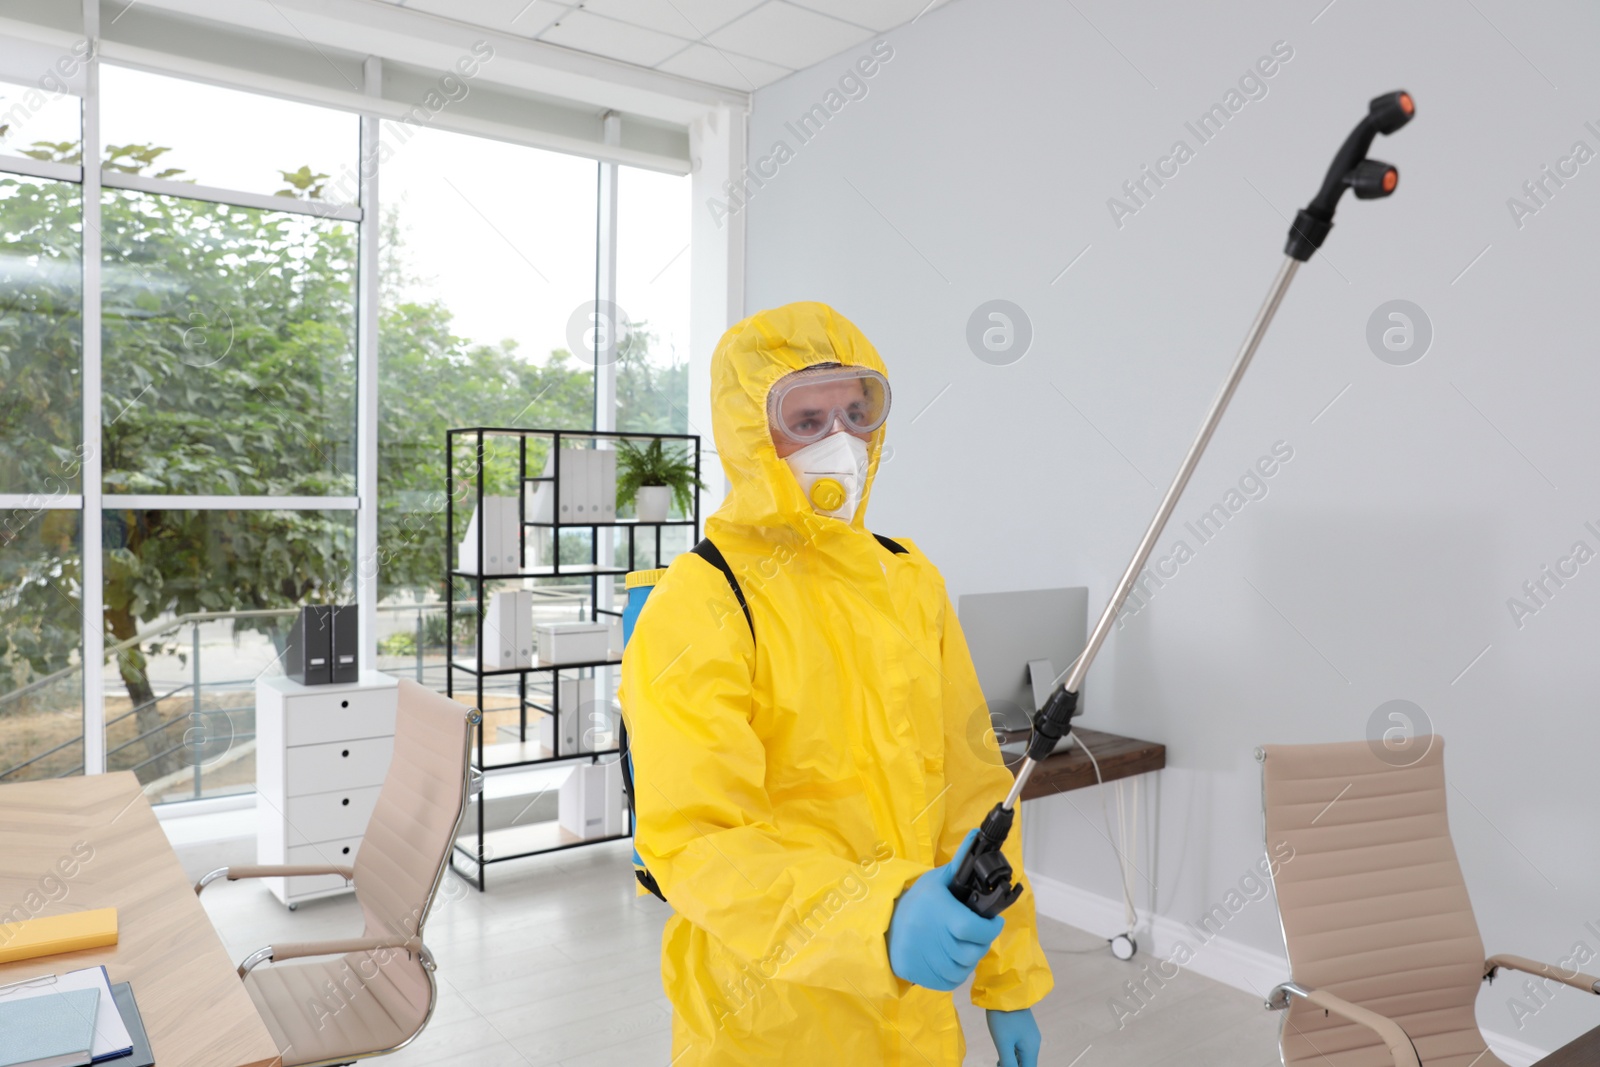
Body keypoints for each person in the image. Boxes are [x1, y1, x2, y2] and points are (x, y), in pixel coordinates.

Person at [620, 301, 1053, 1066]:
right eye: (808, 419)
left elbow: (971, 788)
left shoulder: (908, 578)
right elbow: (698, 843)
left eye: (857, 412)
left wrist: (1007, 974)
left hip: (911, 1013)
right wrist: (880, 918)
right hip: (767, 1018)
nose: (842, 442)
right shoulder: (701, 600)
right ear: (751, 433)